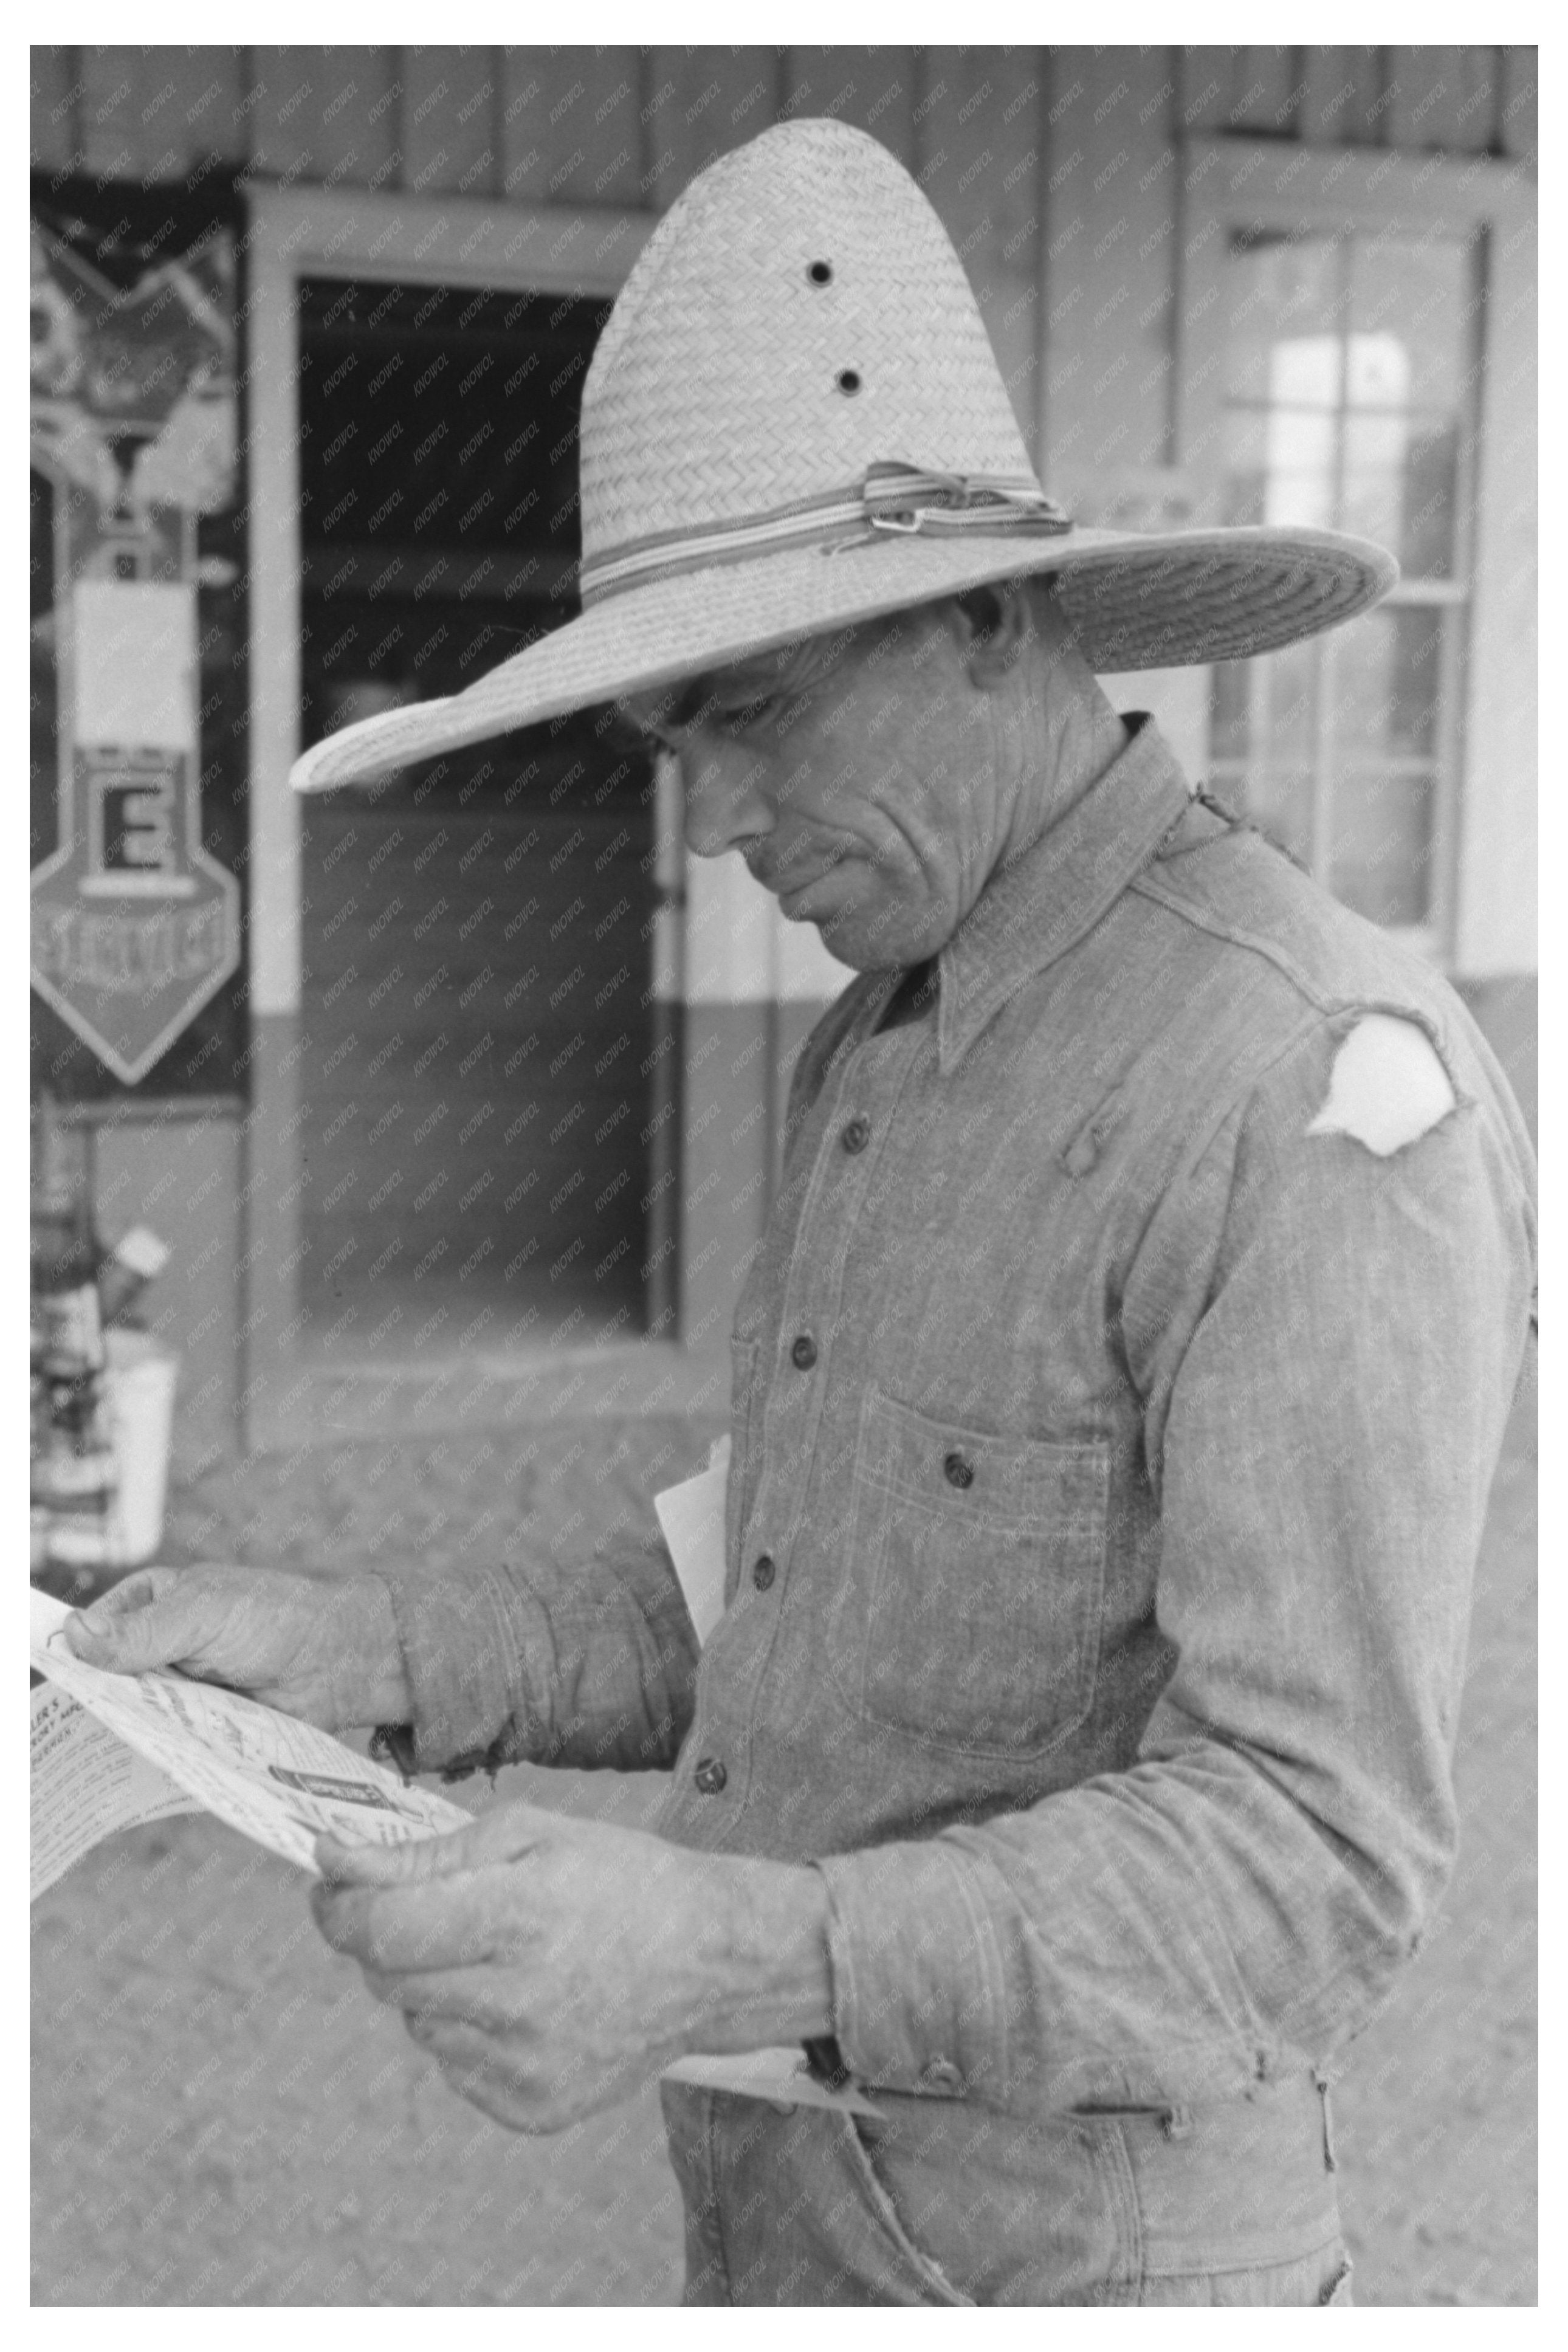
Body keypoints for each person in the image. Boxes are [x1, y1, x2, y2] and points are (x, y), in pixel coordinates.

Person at [66, 119, 1536, 2306]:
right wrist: (367, 1652)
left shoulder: (1312, 1091)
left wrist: (733, 1946)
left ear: (987, 619)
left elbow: (1314, 1861)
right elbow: (803, 1557)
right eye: (676, 737)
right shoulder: (892, 1024)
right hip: (783, 2221)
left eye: (754, 706)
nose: (718, 818)